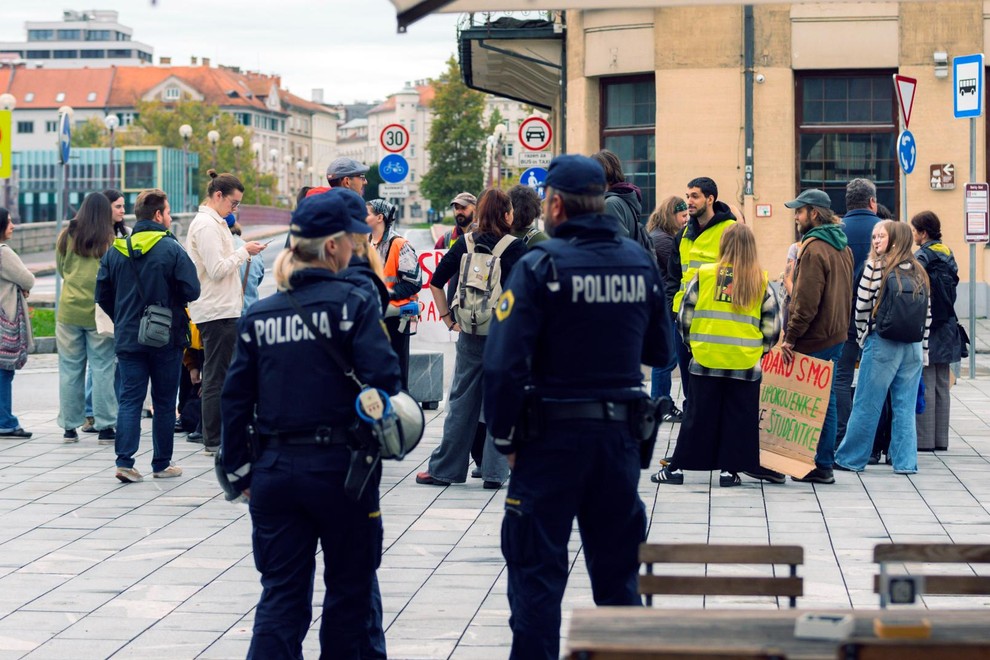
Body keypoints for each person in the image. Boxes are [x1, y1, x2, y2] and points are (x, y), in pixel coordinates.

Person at [483, 155, 674, 659]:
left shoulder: (538, 266)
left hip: (549, 443)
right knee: (618, 585)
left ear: (557, 204)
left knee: (537, 584)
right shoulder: (639, 263)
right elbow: (662, 353)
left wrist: (505, 440)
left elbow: (502, 366)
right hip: (618, 443)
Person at [220, 187, 401, 659]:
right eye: (355, 240)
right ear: (335, 246)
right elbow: (384, 380)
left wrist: (239, 472)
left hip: (275, 471)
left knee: (281, 595)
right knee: (349, 594)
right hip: (342, 471)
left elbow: (235, 399)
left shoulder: (260, 314)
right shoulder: (355, 303)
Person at [653, 223, 781, 486]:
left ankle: (676, 470)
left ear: (723, 245)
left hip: (706, 360)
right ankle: (728, 471)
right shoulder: (760, 280)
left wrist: (694, 346)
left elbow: (685, 316)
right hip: (745, 364)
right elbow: (772, 325)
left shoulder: (706, 275)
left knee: (697, 417)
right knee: (738, 418)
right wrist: (760, 351)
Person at [416, 188, 525, 489]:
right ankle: (494, 473)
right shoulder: (516, 248)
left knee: (461, 404)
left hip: (470, 335)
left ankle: (444, 470)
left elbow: (436, 281)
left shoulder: (464, 243)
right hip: (503, 338)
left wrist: (448, 319)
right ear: (506, 215)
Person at [96, 189, 200, 482]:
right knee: (165, 401)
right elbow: (192, 290)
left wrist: (124, 317)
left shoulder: (116, 250)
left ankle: (125, 463)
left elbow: (102, 294)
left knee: (130, 399)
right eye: (167, 213)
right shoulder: (171, 248)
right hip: (166, 336)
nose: (169, 218)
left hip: (129, 336)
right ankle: (161, 464)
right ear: (158, 215)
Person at [835, 220, 930, 474]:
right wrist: (925, 349)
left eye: (882, 237)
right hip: (912, 346)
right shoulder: (919, 270)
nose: (876, 241)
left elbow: (862, 306)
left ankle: (850, 458)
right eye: (874, 236)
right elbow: (926, 314)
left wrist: (862, 336)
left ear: (895, 240)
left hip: (882, 342)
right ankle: (905, 462)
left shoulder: (875, 266)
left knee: (867, 403)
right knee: (905, 406)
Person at [185, 170, 266, 455]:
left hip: (223, 309)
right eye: (234, 203)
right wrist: (245, 251)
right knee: (217, 378)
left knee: (224, 375)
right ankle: (214, 439)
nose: (235, 209)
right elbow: (217, 269)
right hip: (216, 310)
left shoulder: (214, 222)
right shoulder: (206, 225)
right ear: (218, 196)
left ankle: (221, 436)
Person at [781, 189, 854, 484]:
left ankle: (818, 464)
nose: (796, 217)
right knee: (827, 399)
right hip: (836, 333)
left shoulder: (812, 249)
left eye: (799, 211)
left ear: (813, 213)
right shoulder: (842, 246)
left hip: (815, 337)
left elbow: (805, 302)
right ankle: (822, 462)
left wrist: (790, 336)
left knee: (813, 404)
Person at [664, 178, 736, 423]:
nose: (689, 202)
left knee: (713, 387)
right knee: (689, 387)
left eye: (694, 196)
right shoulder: (683, 234)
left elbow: (732, 277)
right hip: (683, 320)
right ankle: (691, 444)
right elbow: (674, 276)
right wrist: (672, 311)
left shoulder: (729, 231)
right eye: (688, 196)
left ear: (710, 199)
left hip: (714, 323)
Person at [56, 192, 118, 445]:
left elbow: (61, 269)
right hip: (99, 311)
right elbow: (114, 274)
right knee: (102, 367)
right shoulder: (109, 239)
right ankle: (105, 427)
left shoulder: (66, 235)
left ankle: (70, 427)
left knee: (70, 369)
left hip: (69, 310)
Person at [833, 179, 882, 445]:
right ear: (872, 202)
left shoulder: (836, 231)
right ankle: (872, 442)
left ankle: (842, 435)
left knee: (841, 377)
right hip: (876, 317)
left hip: (842, 315)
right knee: (873, 380)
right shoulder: (884, 230)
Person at [911, 211, 959, 452]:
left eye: (915, 231)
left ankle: (924, 440)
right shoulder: (948, 254)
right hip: (949, 324)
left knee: (926, 381)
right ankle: (941, 439)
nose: (913, 235)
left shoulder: (921, 256)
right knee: (942, 383)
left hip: (931, 324)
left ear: (924, 233)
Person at [367, 198, 422, 389]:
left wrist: (383, 294)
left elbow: (414, 283)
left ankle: (401, 412)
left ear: (379, 217)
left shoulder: (399, 244)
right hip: (371, 316)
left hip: (395, 318)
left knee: (396, 373)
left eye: (366, 213)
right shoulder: (364, 243)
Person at [646, 196, 689, 415]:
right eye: (682, 216)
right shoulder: (663, 240)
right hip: (664, 307)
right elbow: (679, 269)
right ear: (671, 216)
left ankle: (660, 404)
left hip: (660, 305)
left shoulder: (657, 235)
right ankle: (660, 405)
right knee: (667, 359)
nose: (685, 220)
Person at [0, 208, 34, 438]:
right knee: (4, 370)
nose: (12, 226)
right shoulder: (3, 252)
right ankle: (6, 421)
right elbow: (27, 278)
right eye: (9, 222)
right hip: (5, 320)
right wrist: (22, 286)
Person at [227, 215, 266, 311]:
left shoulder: (216, 250)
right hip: (251, 312)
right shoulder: (254, 250)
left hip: (226, 316)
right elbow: (258, 279)